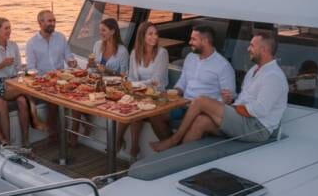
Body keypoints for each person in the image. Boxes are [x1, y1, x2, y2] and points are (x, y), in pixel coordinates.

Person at [150, 31, 287, 151]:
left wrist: (229, 108)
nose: (248, 48)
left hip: (256, 127)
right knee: (201, 121)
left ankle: (173, 141)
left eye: (252, 45)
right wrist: (229, 103)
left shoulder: (273, 77)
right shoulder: (254, 70)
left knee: (201, 100)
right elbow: (246, 97)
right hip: (243, 119)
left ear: (263, 49)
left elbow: (259, 110)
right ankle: (177, 159)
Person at [149, 24, 235, 142]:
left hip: (203, 111)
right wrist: (174, 92)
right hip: (183, 104)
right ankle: (171, 149)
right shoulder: (190, 57)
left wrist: (222, 101)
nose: (190, 42)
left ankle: (172, 146)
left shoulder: (223, 66)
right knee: (155, 115)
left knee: (197, 123)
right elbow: (183, 82)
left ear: (205, 41)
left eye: (193, 39)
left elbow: (229, 98)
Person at [0, 17, 39, 146]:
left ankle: (25, 141)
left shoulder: (13, 45)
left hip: (13, 81)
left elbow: (18, 67)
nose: (9, 31)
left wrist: (22, 73)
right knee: (28, 90)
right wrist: (1, 65)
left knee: (22, 101)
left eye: (10, 28)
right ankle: (34, 118)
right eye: (6, 28)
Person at [116, 21, 169, 160]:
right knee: (131, 103)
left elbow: (157, 81)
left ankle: (120, 142)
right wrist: (142, 84)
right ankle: (132, 148)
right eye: (150, 34)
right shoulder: (135, 53)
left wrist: (139, 84)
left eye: (156, 34)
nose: (154, 37)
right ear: (142, 36)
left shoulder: (162, 53)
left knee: (135, 106)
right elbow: (132, 77)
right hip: (139, 92)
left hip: (156, 94)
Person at [25, 10, 77, 139]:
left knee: (79, 95)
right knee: (53, 100)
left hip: (62, 78)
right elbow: (31, 68)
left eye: (54, 21)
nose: (52, 24)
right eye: (49, 21)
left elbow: (68, 57)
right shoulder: (31, 43)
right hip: (44, 81)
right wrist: (45, 79)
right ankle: (54, 134)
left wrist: (72, 63)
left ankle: (74, 134)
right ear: (40, 22)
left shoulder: (61, 37)